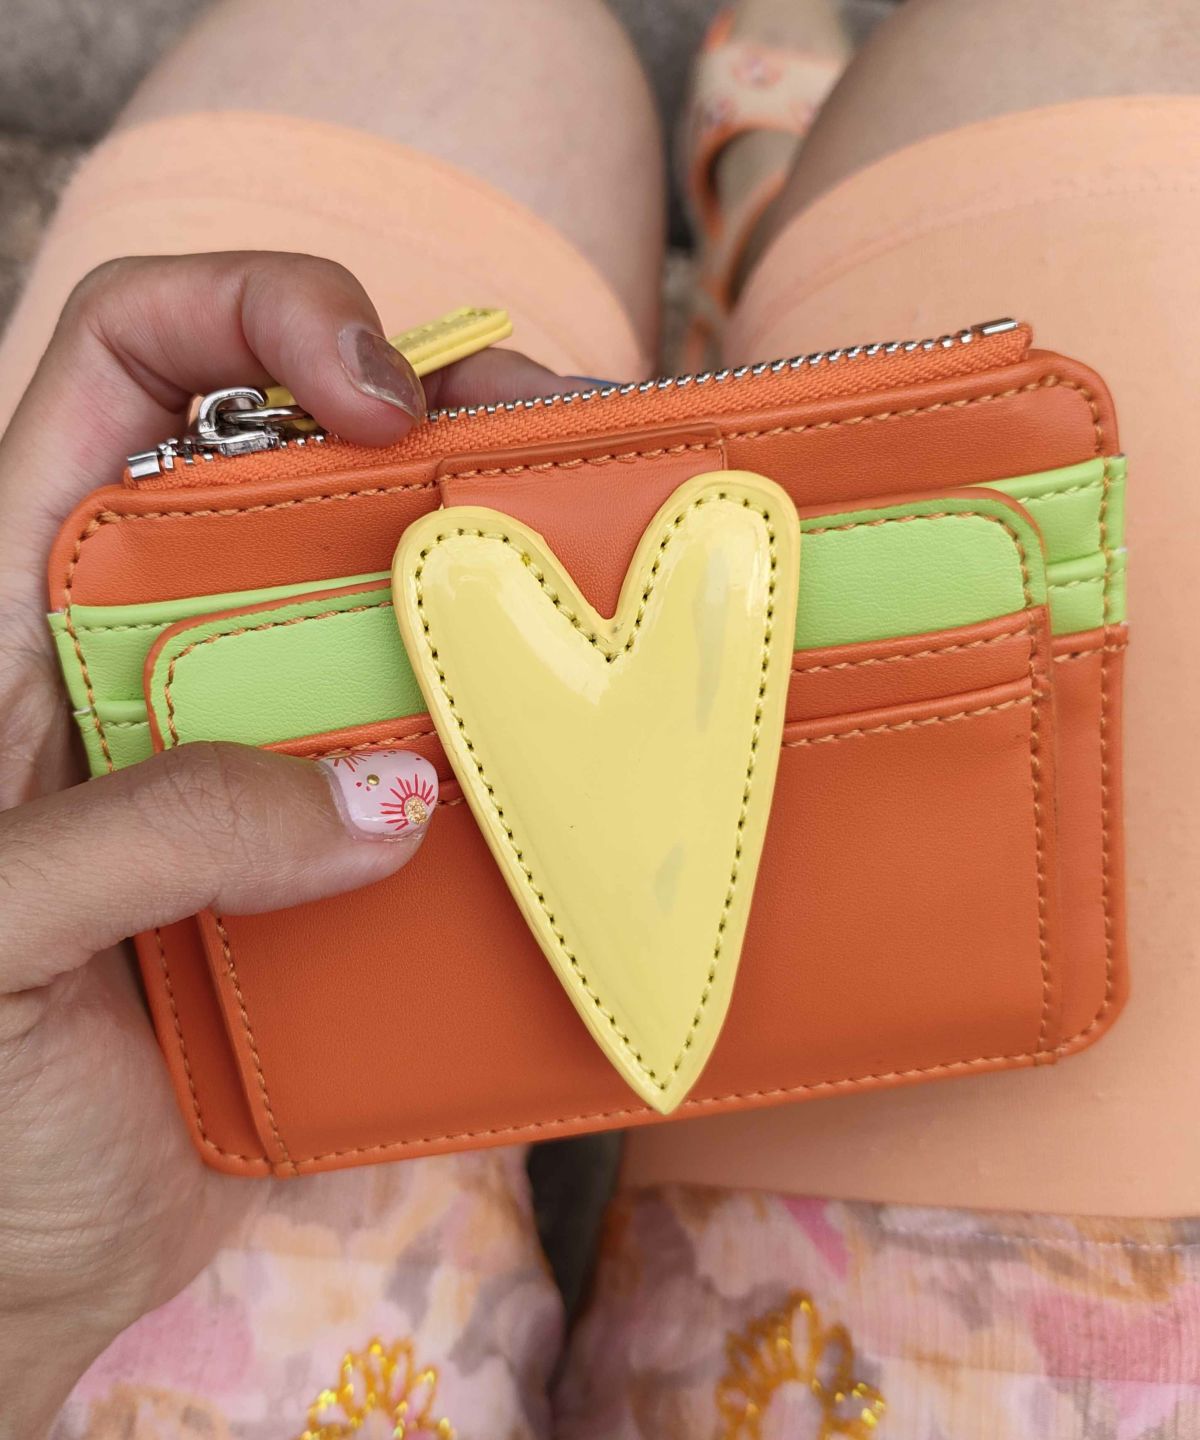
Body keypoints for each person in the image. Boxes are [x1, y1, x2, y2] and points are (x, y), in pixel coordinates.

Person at [2, 0, 1199, 1434]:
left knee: (454, 38)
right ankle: (763, 238)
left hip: (146, 1253)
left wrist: (27, 1310)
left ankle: (764, 241)